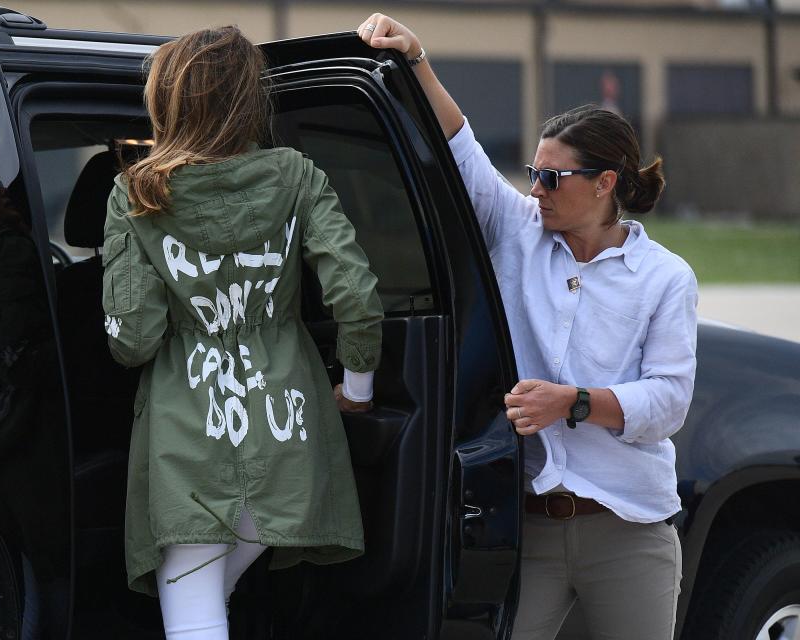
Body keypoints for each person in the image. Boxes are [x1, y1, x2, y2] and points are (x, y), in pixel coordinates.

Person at [357, 14, 697, 640]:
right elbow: (461, 147)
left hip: (629, 526)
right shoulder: (518, 230)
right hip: (530, 525)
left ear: (604, 184)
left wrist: (572, 402)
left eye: (551, 177)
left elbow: (670, 401)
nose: (534, 188)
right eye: (533, 173)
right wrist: (416, 59)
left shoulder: (665, 277)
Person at [101, 26, 383, 640]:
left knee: (194, 611)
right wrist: (356, 389)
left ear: (169, 100)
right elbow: (357, 298)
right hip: (288, 422)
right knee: (211, 601)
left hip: (189, 435)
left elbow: (133, 339)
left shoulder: (137, 192)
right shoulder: (298, 175)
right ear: (249, 99)